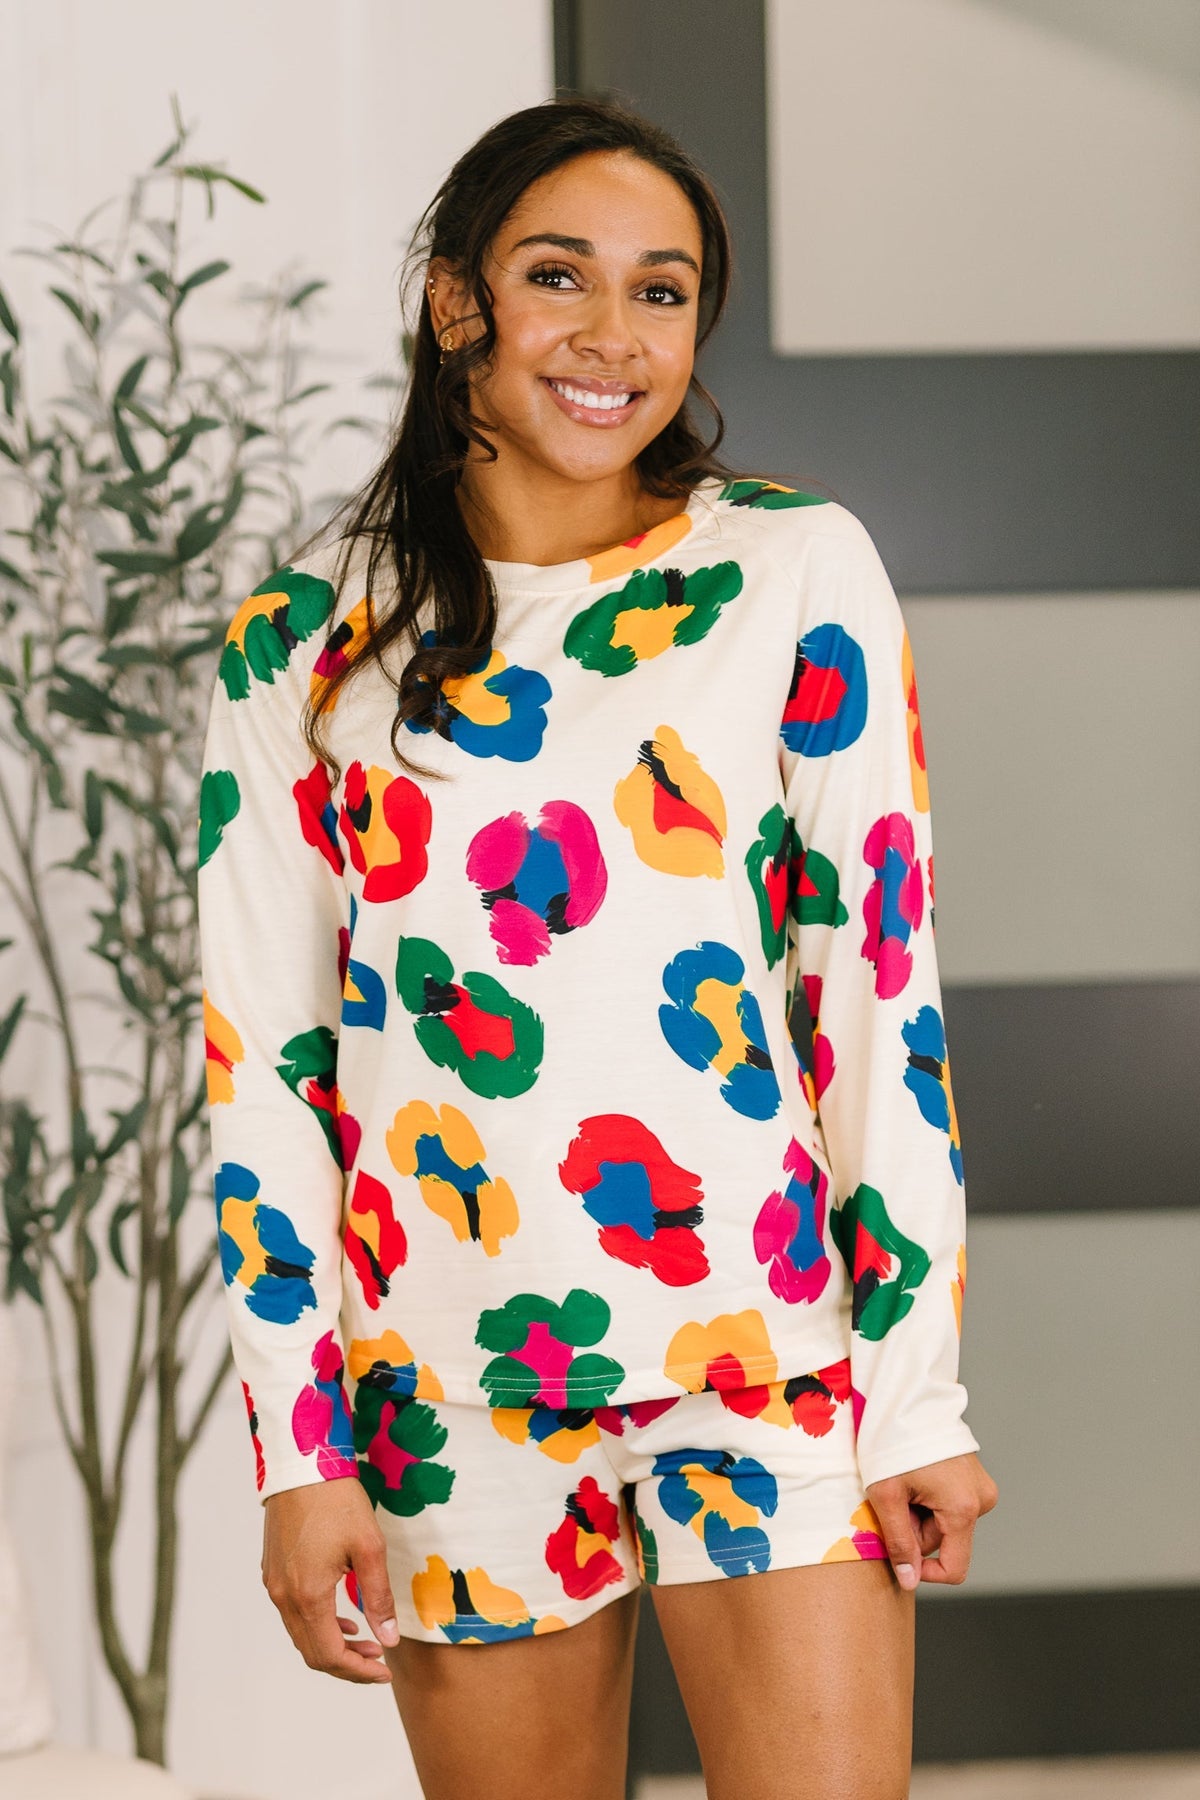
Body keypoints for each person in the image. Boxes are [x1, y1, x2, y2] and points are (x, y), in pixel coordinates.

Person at [198, 94, 998, 1800]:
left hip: (768, 1359)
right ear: (457, 302)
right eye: (559, 276)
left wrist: (914, 1397)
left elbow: (877, 999)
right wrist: (299, 1448)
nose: (612, 336)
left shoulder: (792, 570)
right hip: (448, 1389)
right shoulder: (304, 635)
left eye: (662, 290)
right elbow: (261, 1063)